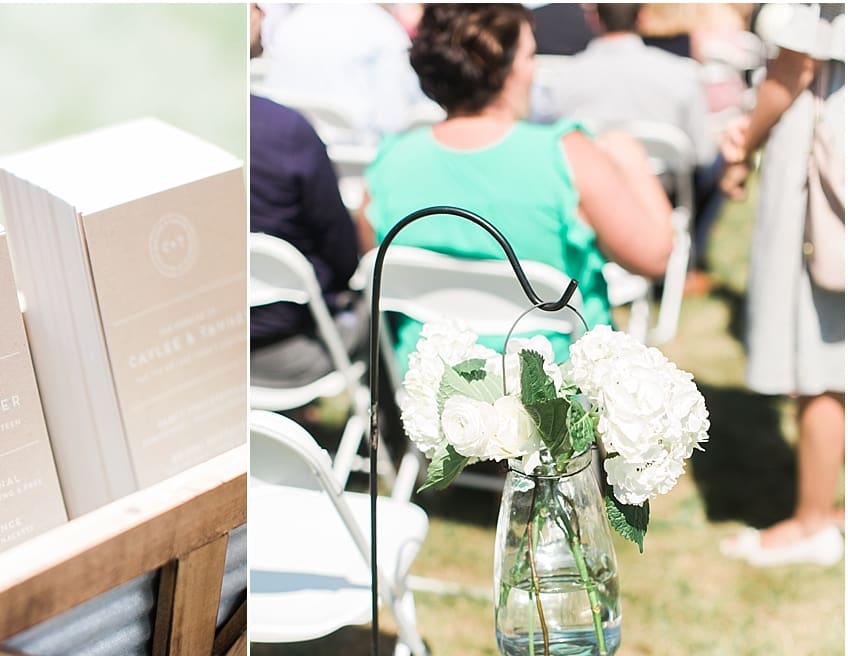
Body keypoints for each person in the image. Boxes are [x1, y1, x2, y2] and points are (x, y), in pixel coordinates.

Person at [357, 3, 674, 371]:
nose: (535, 68)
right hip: (556, 392)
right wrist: (631, 159)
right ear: (502, 69)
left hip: (435, 385)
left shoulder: (390, 162)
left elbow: (379, 265)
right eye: (529, 55)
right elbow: (654, 256)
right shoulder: (565, 155)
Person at [718, 3, 845, 567]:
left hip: (820, 156)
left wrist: (744, 141)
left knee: (818, 345)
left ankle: (814, 520)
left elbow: (794, 67)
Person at [536, 4, 725, 283]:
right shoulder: (679, 74)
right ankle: (690, 262)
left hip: (585, 193)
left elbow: (547, 144)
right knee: (716, 165)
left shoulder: (563, 79)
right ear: (642, 17)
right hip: (661, 190)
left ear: (594, 17)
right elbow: (703, 154)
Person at [248, 2, 367, 389]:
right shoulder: (282, 131)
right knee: (387, 301)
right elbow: (342, 253)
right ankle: (388, 441)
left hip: (196, 342)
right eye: (250, 4)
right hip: (288, 347)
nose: (262, 11)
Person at [259, 3, 436, 144]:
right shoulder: (383, 30)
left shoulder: (291, 24)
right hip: (354, 169)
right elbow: (393, 123)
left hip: (287, 155)